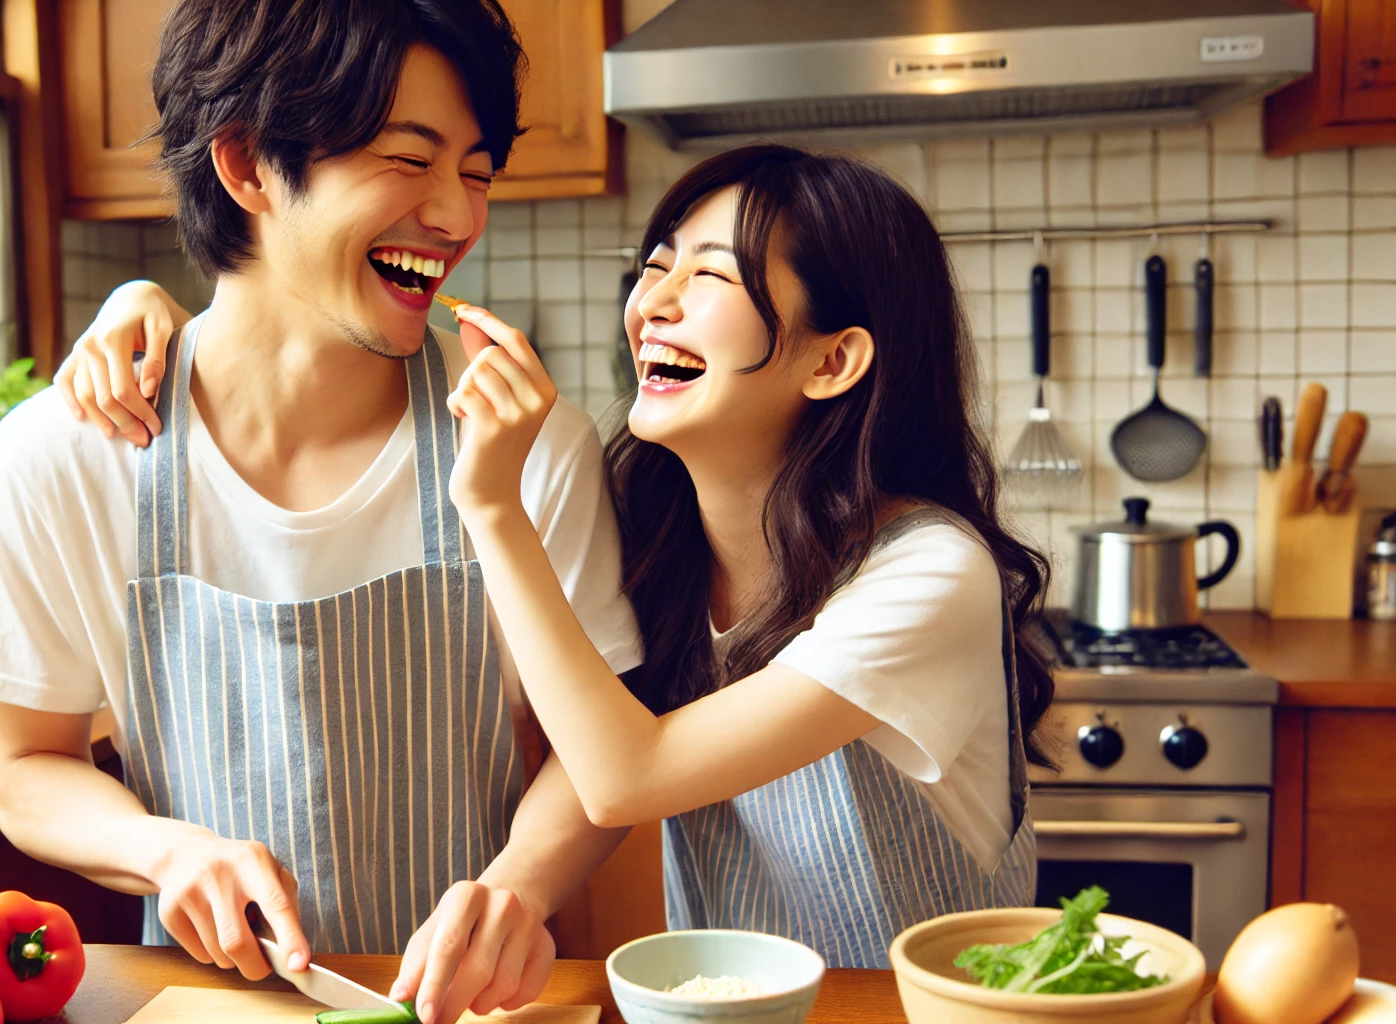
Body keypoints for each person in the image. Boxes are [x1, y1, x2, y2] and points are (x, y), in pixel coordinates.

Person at [67, 143, 1058, 967]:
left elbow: (625, 777)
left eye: (708, 275)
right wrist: (147, 305)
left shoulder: (927, 575)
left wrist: (489, 502)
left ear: (832, 359)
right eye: (654, 265)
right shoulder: (653, 535)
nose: (653, 301)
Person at [0, 3, 641, 1021]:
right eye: (410, 159)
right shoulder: (62, 457)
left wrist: (519, 885)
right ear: (248, 164)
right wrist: (165, 851)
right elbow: (29, 769)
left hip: (468, 1005)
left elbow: (593, 754)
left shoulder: (529, 452)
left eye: (477, 171)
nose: (456, 217)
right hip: (212, 1001)